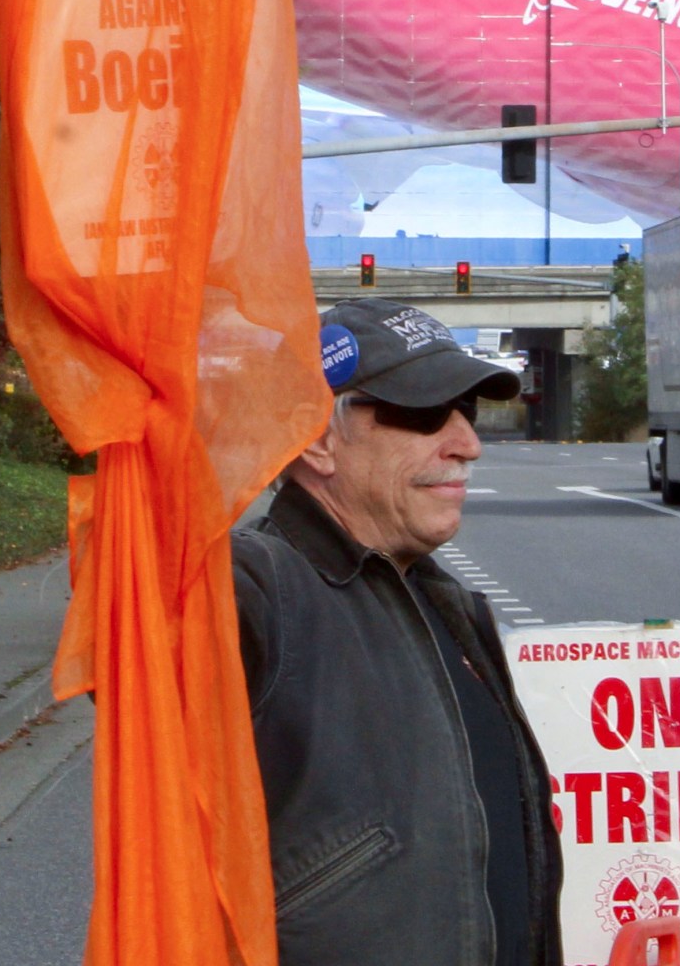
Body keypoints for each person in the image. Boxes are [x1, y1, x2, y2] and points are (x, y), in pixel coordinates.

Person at [233, 297, 563, 966]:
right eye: (421, 413)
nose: (467, 443)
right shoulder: (257, 582)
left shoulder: (442, 601)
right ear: (318, 438)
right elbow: (157, 630)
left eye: (466, 412)